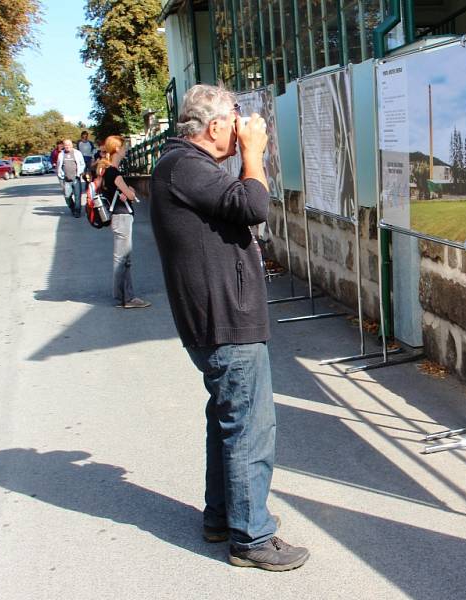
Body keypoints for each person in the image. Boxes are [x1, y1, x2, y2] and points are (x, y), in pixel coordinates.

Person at [150, 84, 309, 572]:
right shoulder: (185, 166)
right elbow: (252, 205)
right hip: (224, 322)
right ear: (214, 125)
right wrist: (254, 153)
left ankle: (223, 516)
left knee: (227, 422)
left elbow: (234, 206)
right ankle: (251, 536)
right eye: (236, 115)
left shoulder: (179, 167)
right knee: (249, 428)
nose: (243, 123)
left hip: (216, 318)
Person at [97, 135, 151, 309]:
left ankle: (125, 296)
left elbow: (122, 193)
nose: (126, 150)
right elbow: (131, 195)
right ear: (117, 149)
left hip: (118, 217)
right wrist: (130, 192)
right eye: (124, 147)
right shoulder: (114, 172)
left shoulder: (107, 171)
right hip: (122, 218)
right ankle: (125, 298)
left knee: (123, 259)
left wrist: (126, 192)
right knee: (123, 259)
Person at [57, 139, 86, 217]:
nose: (67, 146)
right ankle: (72, 208)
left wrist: (79, 173)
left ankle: (77, 211)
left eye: (69, 145)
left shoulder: (77, 153)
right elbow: (59, 166)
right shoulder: (61, 154)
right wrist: (60, 174)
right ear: (64, 146)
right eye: (66, 145)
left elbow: (82, 164)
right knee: (67, 196)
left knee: (78, 196)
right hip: (66, 180)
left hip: (76, 178)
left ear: (72, 145)